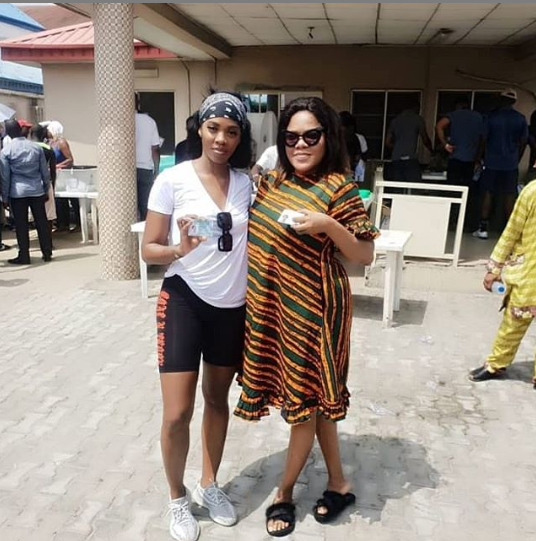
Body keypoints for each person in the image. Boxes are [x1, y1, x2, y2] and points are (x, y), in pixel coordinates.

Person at [234, 97, 379, 537]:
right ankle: (339, 483)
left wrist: (328, 225)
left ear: (327, 137)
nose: (300, 144)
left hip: (316, 313)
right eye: (291, 136)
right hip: (274, 310)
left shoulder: (338, 188)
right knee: (316, 405)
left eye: (311, 135)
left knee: (304, 406)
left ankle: (283, 493)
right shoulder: (272, 182)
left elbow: (365, 255)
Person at [141, 91, 252, 541]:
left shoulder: (248, 183)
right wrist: (178, 248)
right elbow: (148, 249)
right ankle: (177, 498)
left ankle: (210, 484)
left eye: (231, 131)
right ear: (200, 129)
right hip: (185, 299)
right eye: (213, 128)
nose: (221, 138)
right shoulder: (173, 179)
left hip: (232, 307)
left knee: (217, 400)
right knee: (177, 412)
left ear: (240, 137)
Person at [469, 181, 536, 387]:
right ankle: (497, 364)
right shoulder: (532, 192)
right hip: (530, 274)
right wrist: (494, 268)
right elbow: (512, 230)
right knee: (513, 323)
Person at [473, 88, 528, 239]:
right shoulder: (520, 119)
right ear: (514, 101)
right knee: (509, 195)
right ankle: (510, 232)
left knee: (488, 193)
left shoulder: (491, 117)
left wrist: (478, 157)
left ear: (501, 99)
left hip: (491, 162)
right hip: (510, 163)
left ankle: (483, 228)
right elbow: (524, 141)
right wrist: (517, 158)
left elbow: (483, 139)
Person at [0, 119, 52, 264]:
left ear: (8, 133)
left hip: (17, 192)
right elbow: (44, 171)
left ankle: (24, 255)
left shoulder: (6, 151)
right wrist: (46, 189)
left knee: (21, 225)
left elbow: (5, 177)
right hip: (36, 190)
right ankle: (47, 252)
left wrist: (5, 197)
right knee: (41, 222)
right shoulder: (35, 148)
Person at [385, 102, 433, 182]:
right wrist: (432, 150)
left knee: (398, 184)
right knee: (414, 184)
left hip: (396, 158)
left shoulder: (395, 121)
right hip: (410, 158)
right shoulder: (418, 119)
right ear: (416, 108)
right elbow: (425, 139)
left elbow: (387, 143)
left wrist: (398, 147)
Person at [46, 120, 79, 233]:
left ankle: (78, 223)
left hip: (66, 174)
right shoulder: (50, 143)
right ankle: (63, 224)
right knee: (59, 200)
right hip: (57, 175)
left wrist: (57, 166)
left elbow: (70, 159)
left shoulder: (62, 142)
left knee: (72, 199)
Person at [135, 93, 161, 220]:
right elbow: (155, 148)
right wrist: (156, 169)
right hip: (145, 169)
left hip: (124, 171)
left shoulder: (120, 121)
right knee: (145, 206)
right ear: (138, 103)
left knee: (127, 207)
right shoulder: (149, 121)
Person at [31, 124, 57, 237]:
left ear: (31, 134)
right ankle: (47, 238)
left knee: (35, 213)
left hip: (31, 183)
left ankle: (39, 235)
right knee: (49, 214)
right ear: (44, 135)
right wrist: (52, 186)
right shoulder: (48, 149)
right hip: (45, 183)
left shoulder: (28, 147)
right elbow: (53, 170)